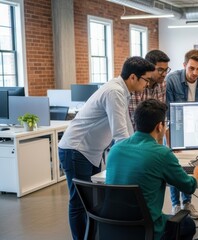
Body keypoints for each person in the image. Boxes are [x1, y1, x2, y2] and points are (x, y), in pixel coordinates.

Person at [58, 56, 156, 240]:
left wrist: (141, 149)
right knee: (79, 201)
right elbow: (120, 135)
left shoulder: (121, 90)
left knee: (94, 202)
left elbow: (127, 128)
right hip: (76, 149)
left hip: (91, 151)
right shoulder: (115, 92)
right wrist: (137, 159)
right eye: (147, 80)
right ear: (133, 77)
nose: (148, 84)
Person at [106, 99, 198, 240]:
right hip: (147, 229)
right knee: (188, 224)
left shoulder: (115, 149)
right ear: (160, 126)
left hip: (113, 227)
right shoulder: (162, 154)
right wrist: (197, 175)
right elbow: (188, 186)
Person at [166, 49, 198, 219]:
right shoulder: (171, 79)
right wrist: (172, 141)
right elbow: (168, 112)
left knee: (191, 165)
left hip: (196, 128)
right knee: (174, 165)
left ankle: (187, 202)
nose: (195, 73)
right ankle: (175, 204)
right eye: (191, 68)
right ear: (184, 65)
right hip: (176, 127)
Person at [129, 50, 170, 131]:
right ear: (149, 68)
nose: (164, 74)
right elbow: (134, 122)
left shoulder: (163, 85)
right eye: (160, 70)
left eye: (166, 70)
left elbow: (161, 117)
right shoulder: (136, 86)